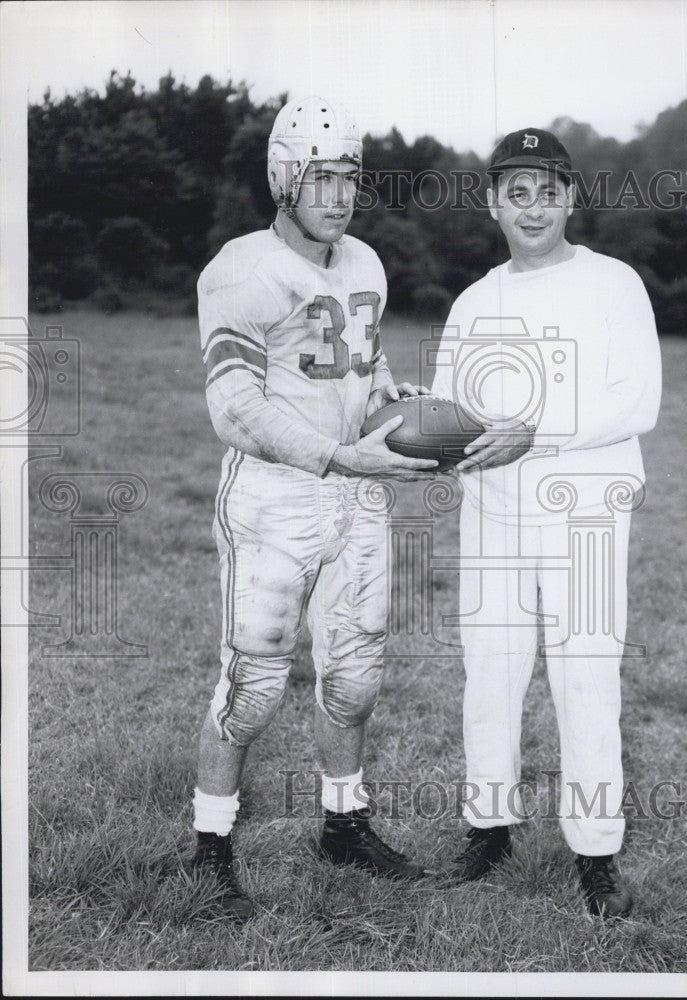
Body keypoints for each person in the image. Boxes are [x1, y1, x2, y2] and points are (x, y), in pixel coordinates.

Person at [191, 96, 437, 921]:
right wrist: (334, 453)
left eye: (351, 178)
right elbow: (234, 404)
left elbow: (357, 362)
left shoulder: (364, 261)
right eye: (323, 177)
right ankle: (209, 845)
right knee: (253, 684)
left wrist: (388, 394)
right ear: (285, 178)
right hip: (277, 495)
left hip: (358, 491)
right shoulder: (241, 268)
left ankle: (343, 824)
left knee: (356, 678)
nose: (339, 195)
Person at [430, 128, 662, 918]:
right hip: (493, 509)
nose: (533, 207)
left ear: (571, 197)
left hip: (587, 509)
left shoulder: (614, 284)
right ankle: (488, 825)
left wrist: (537, 428)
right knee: (489, 670)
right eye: (516, 192)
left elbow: (638, 402)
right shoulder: (473, 300)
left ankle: (595, 851)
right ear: (493, 202)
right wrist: (407, 422)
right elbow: (448, 415)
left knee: (585, 674)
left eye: (548, 190)